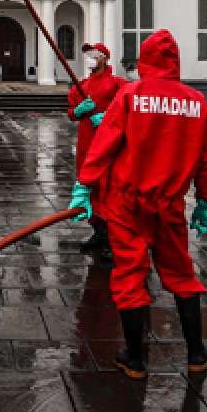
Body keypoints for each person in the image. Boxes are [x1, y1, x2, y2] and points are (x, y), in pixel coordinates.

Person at [69, 29, 207, 379]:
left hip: (127, 204)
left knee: (130, 276)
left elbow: (105, 144)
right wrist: (206, 201)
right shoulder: (196, 101)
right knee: (181, 274)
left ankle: (135, 359)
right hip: (169, 206)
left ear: (144, 61)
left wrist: (84, 185)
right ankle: (196, 353)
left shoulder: (130, 95)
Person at [66, 42, 126, 258]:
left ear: (104, 58)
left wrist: (108, 116)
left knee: (108, 190)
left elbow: (128, 108)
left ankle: (113, 238)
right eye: (88, 55)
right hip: (86, 145)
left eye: (94, 55)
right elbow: (71, 112)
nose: (90, 58)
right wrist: (78, 111)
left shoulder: (118, 84)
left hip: (109, 145)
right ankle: (99, 232)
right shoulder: (80, 86)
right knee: (89, 188)